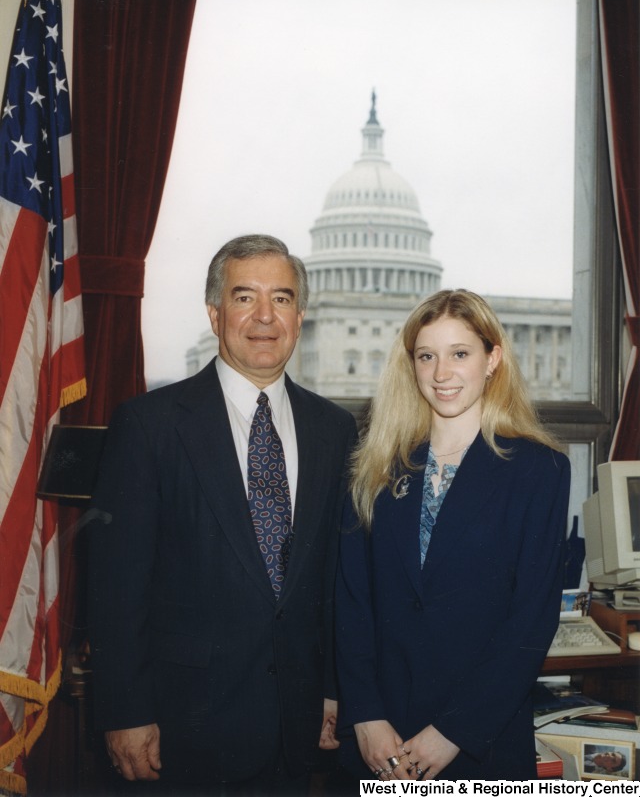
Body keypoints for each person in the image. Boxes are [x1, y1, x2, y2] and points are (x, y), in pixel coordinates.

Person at [88, 234, 358, 795]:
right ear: (215, 314)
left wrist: (333, 688)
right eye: (244, 297)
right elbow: (116, 589)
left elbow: (334, 579)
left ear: (300, 316)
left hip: (295, 728)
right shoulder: (149, 425)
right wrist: (125, 711)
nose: (265, 316)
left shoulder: (333, 429)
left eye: (281, 298)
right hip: (181, 732)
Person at [334, 289, 570, 782]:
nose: (441, 373)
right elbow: (351, 601)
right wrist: (366, 714)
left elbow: (531, 621)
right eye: (427, 356)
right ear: (411, 364)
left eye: (459, 354)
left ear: (492, 359)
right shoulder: (374, 465)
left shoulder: (539, 469)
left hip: (481, 738)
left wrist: (455, 731)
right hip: (381, 741)